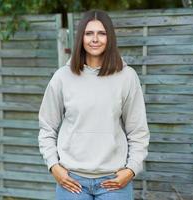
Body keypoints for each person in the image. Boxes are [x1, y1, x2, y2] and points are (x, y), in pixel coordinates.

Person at [38, 9, 150, 200]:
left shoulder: (127, 76)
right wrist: (54, 166)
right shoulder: (62, 77)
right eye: (89, 33)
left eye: (102, 33)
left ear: (110, 38)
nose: (95, 39)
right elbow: (47, 127)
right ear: (81, 37)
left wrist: (131, 170)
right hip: (71, 182)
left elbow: (138, 131)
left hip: (114, 183)